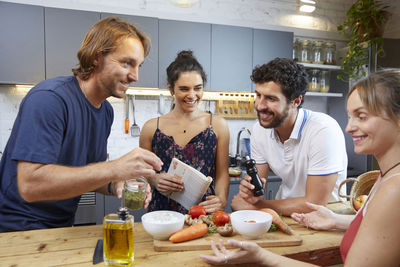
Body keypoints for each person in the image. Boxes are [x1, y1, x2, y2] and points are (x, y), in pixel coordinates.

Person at [200, 69, 400, 266]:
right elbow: (376, 225)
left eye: (362, 116)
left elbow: (314, 202)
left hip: (316, 217)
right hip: (308, 218)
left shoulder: (393, 190)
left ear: (296, 101)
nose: (348, 128)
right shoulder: (385, 178)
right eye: (350, 116)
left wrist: (262, 255)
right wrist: (337, 220)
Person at [0, 17, 163, 232]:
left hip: (62, 227)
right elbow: (30, 185)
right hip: (16, 230)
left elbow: (89, 174)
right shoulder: (50, 99)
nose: (135, 76)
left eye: (138, 66)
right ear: (97, 57)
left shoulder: (105, 112)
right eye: (126, 63)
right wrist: (115, 167)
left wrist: (116, 183)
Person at [231, 58, 347, 216]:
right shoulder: (259, 130)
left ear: (296, 101)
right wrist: (250, 192)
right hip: (283, 214)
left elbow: (315, 203)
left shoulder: (323, 130)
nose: (259, 105)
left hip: (326, 217)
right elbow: (258, 188)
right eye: (258, 95)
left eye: (271, 99)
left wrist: (257, 207)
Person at [139, 50, 230, 214]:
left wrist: (222, 199)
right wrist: (155, 179)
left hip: (204, 212)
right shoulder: (151, 128)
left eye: (198, 88)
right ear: (170, 88)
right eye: (184, 89)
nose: (192, 95)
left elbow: (222, 174)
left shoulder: (218, 126)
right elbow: (144, 172)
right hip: (162, 213)